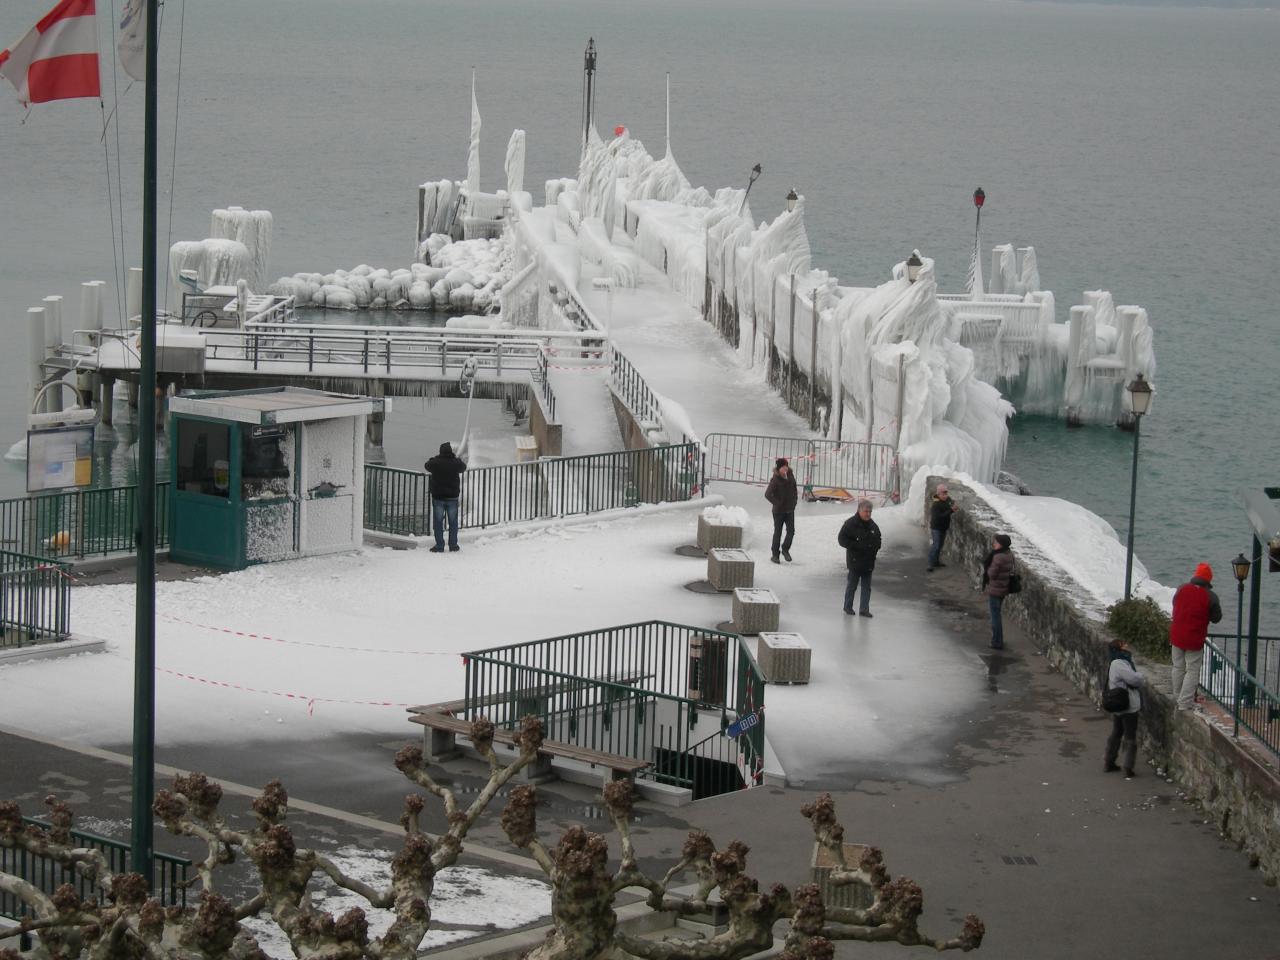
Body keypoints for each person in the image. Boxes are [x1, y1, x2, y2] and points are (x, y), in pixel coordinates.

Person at [1169, 562, 1223, 711]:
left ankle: (1177, 695)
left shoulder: (1181, 589)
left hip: (1177, 634)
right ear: (1208, 579)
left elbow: (1175, 604)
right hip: (1194, 637)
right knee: (1192, 669)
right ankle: (1185, 702)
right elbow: (1216, 618)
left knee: (1178, 667)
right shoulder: (1210, 596)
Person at [1104, 637, 1145, 778]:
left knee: (1116, 733)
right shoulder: (1120, 663)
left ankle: (1109, 761)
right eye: (1124, 644)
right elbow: (1134, 680)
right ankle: (1128, 766)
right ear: (1120, 648)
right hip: (1127, 704)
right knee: (1130, 736)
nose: (1127, 645)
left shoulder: (1116, 662)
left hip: (1118, 704)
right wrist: (1140, 675)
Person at [838, 499, 882, 617]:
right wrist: (856, 546)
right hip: (855, 561)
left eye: (870, 512)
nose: (868, 514)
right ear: (859, 510)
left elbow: (878, 539)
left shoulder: (873, 525)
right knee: (852, 585)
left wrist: (875, 549)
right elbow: (842, 540)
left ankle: (864, 609)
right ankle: (848, 607)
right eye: (866, 511)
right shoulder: (850, 524)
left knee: (866, 587)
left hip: (868, 562)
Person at [424, 441, 467, 553]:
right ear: (450, 452)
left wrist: (434, 458)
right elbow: (463, 467)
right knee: (453, 522)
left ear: (440, 452)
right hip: (452, 497)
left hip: (438, 497)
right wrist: (456, 459)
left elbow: (427, 465)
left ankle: (439, 545)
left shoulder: (436, 462)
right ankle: (453, 545)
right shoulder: (455, 463)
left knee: (438, 523)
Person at [982, 533, 1015, 649]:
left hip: (995, 589)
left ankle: (997, 642)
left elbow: (992, 574)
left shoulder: (998, 557)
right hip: (1003, 588)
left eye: (996, 542)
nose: (994, 544)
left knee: (995, 616)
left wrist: (988, 568)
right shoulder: (1008, 554)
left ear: (1001, 544)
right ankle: (998, 640)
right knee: (997, 614)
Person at [764, 457, 798, 564]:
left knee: (791, 531)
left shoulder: (791, 475)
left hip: (790, 509)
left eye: (786, 466)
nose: (785, 469)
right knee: (777, 532)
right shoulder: (775, 480)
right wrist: (778, 503)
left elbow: (794, 488)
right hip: (778, 511)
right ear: (779, 468)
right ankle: (775, 555)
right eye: (783, 467)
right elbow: (767, 494)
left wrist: (794, 501)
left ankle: (785, 549)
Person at [927, 483, 957, 572]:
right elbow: (939, 516)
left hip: (943, 527)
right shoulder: (936, 505)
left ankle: (936, 562)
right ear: (938, 494)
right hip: (936, 528)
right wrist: (951, 510)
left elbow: (951, 503)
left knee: (940, 546)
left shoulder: (947, 500)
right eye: (943, 494)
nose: (945, 496)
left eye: (946, 494)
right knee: (936, 545)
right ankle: (930, 563)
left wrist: (953, 505)